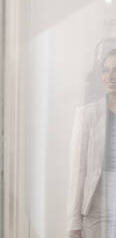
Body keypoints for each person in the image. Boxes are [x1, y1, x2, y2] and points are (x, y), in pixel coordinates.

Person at [67, 48, 116, 238]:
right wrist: (73, 223)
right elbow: (77, 170)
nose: (110, 76)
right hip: (96, 204)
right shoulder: (87, 114)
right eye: (105, 70)